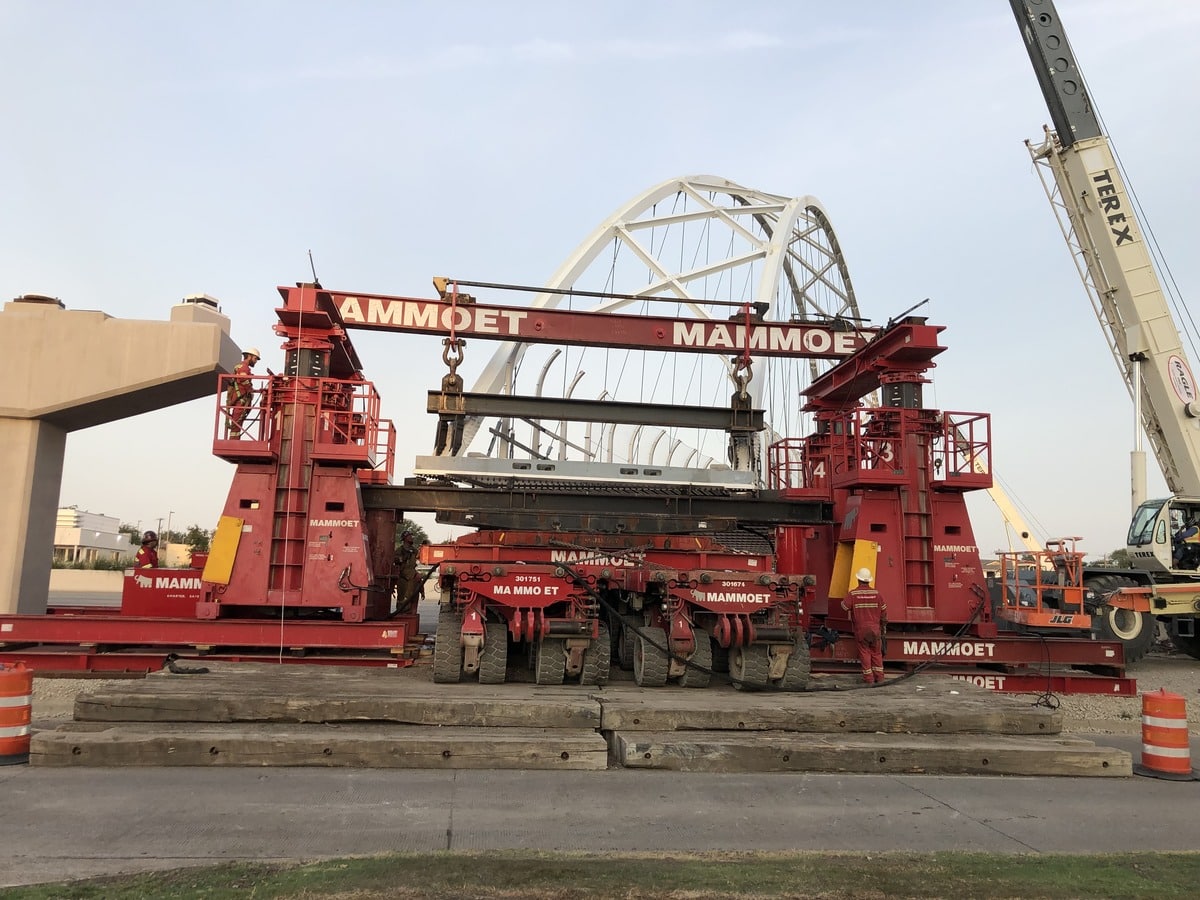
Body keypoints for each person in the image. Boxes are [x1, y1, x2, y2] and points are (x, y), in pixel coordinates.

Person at [842, 567, 887, 684]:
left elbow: (844, 607)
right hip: (876, 629)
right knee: (877, 653)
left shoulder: (853, 594)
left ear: (858, 580)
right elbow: (884, 612)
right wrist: (883, 625)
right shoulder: (877, 594)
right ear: (869, 580)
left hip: (861, 630)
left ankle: (869, 679)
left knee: (865, 653)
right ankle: (880, 678)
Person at [226, 347, 261, 437]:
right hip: (240, 399)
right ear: (249, 356)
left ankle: (234, 439)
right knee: (236, 422)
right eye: (255, 358)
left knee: (238, 422)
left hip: (240, 398)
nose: (256, 361)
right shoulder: (244, 367)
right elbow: (243, 379)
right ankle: (233, 441)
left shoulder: (241, 367)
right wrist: (250, 390)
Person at [394, 531, 420, 612]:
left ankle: (409, 609)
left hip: (412, 574)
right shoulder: (400, 550)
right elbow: (396, 560)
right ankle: (401, 610)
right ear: (405, 538)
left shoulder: (414, 550)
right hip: (403, 575)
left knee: (412, 594)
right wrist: (403, 558)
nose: (411, 538)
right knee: (402, 595)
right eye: (409, 536)